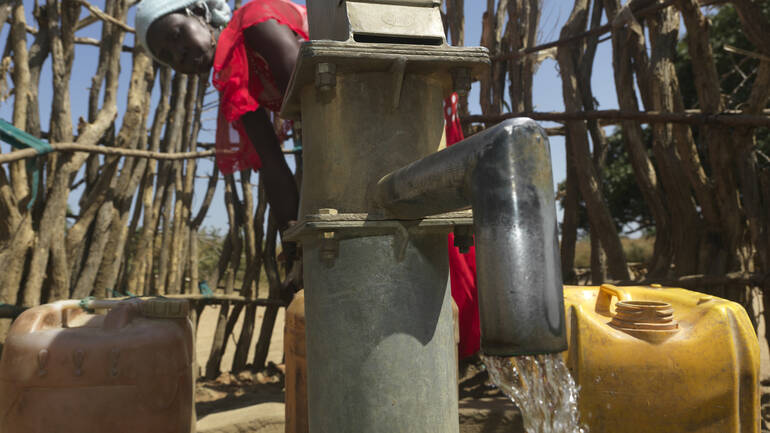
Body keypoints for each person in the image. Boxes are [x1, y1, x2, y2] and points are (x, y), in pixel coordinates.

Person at [136, 0, 307, 291]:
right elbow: (271, 163)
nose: (178, 53)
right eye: (167, 55)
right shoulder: (234, 81)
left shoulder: (257, 22)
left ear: (199, 14)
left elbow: (315, 96)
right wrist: (295, 251)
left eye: (177, 35)